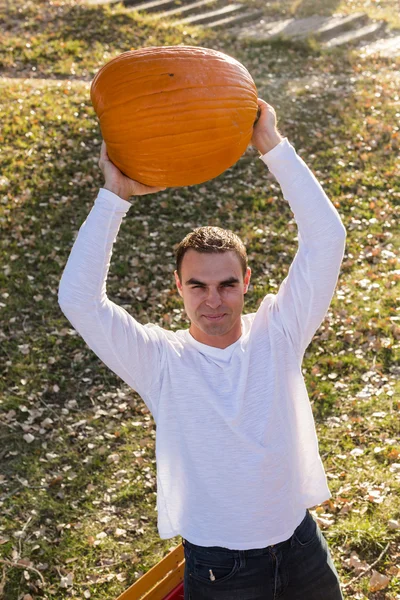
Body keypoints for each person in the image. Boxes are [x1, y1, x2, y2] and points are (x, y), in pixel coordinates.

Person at [58, 98, 346, 599]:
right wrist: (116, 194)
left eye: (227, 284)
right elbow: (78, 299)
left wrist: (271, 146)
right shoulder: (160, 360)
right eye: (198, 286)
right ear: (178, 288)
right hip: (221, 570)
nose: (213, 300)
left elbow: (327, 238)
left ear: (247, 282)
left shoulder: (278, 332)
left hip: (301, 548)